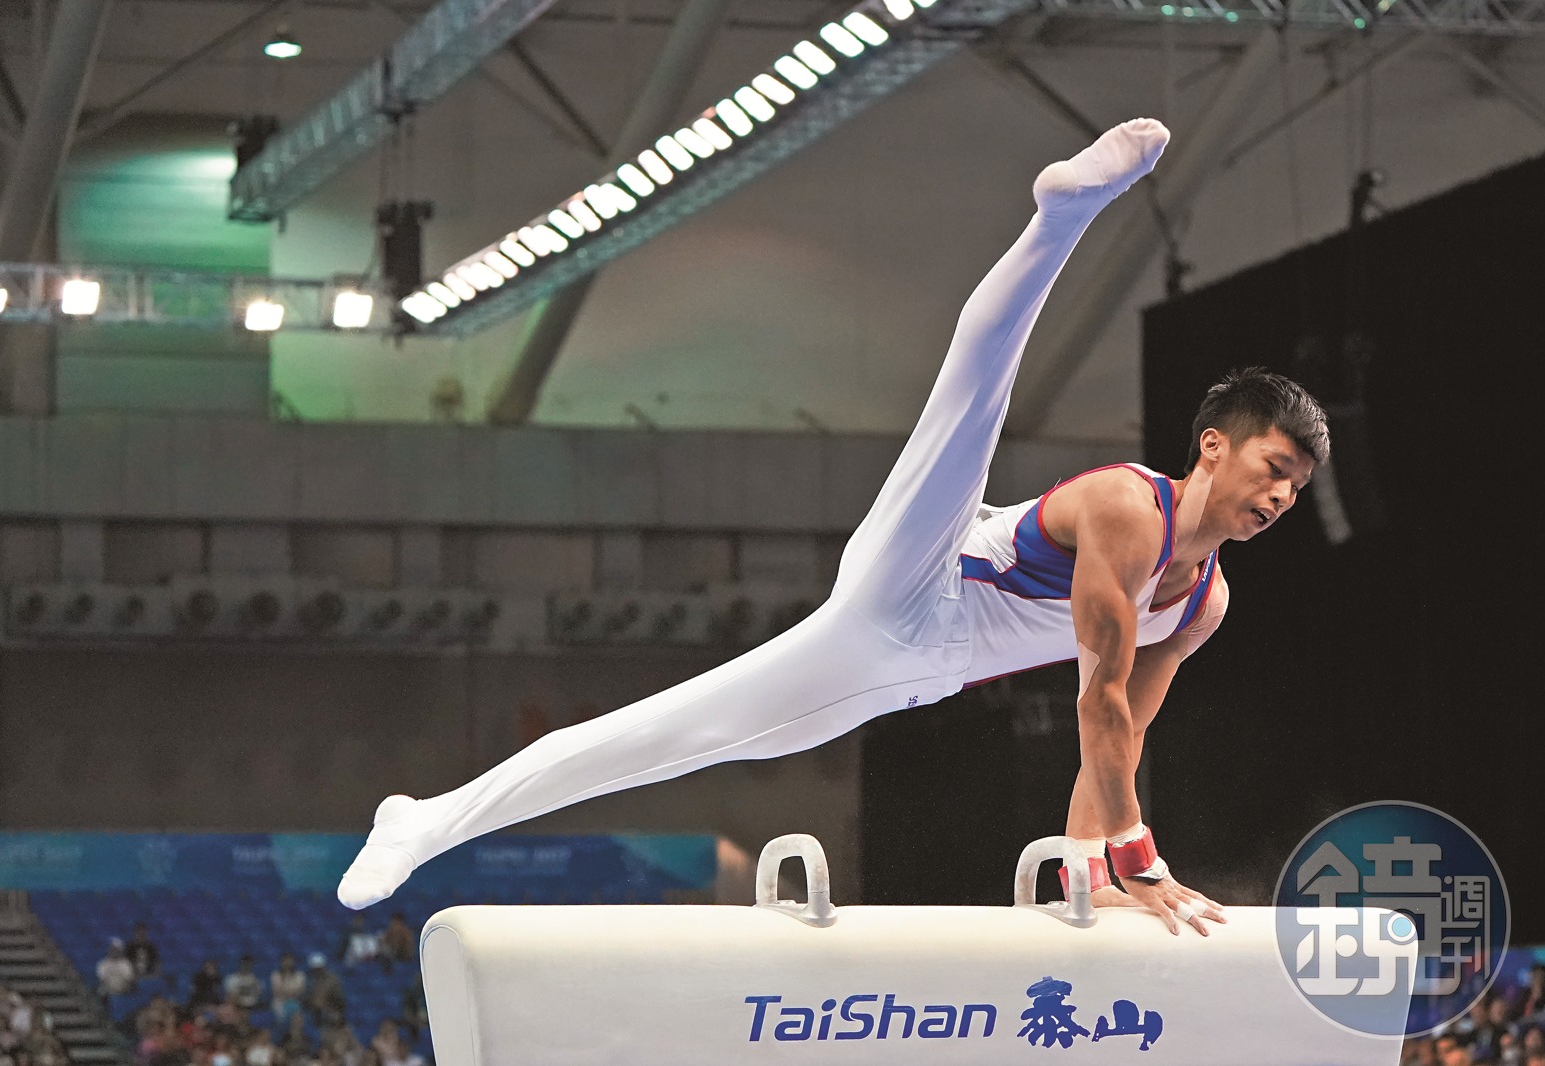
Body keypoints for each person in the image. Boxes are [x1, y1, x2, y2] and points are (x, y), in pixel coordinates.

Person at [337, 118, 1326, 937]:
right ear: (1211, 446)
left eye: (1296, 485)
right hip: (921, 574)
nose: (1281, 495)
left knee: (664, 738)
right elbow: (1097, 700)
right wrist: (1140, 858)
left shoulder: (1203, 602)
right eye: (1273, 467)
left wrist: (1090, 872)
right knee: (970, 400)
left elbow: (1122, 740)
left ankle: (424, 821)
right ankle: (1061, 217)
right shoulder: (1126, 508)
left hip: (897, 667)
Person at [302, 955, 344, 1027]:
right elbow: (305, 997)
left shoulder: (333, 980)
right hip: (312, 1009)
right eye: (315, 969)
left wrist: (328, 1006)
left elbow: (338, 997)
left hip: (328, 1008)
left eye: (319, 969)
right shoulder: (308, 980)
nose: (317, 971)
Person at [96, 940, 137, 1008]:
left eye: (116, 949)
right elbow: (102, 979)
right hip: (107, 995)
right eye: (112, 949)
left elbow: (129, 979)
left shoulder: (126, 964)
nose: (114, 951)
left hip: (123, 994)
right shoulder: (102, 964)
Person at [268, 955, 304, 1026]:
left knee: (296, 1011)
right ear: (281, 962)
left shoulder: (299, 975)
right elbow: (275, 991)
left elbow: (299, 992)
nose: (287, 963)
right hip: (279, 1001)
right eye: (285, 961)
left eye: (289, 961)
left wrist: (284, 992)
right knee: (279, 1012)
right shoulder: (275, 975)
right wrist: (290, 992)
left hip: (295, 1001)